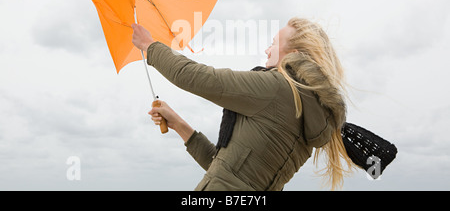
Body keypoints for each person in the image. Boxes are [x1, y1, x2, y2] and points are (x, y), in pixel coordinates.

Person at [131, 17, 355, 191]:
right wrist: (179, 125)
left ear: (294, 55)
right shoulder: (308, 111)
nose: (267, 50)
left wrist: (150, 46)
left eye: (273, 44)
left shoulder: (277, 89)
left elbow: (198, 77)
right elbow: (226, 172)